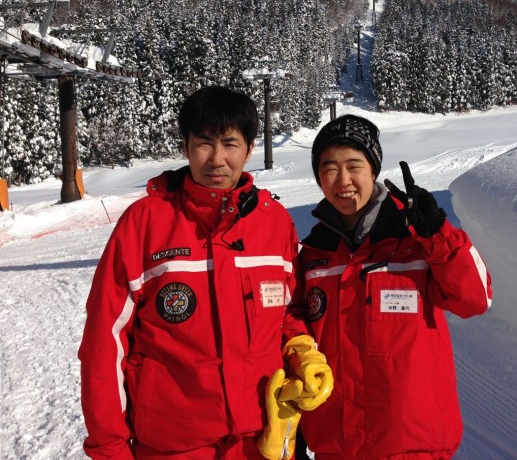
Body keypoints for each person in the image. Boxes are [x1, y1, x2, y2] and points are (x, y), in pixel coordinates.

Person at [78, 86, 331, 460]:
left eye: (230, 143)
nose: (217, 159)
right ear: (185, 146)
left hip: (263, 442)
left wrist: (302, 354)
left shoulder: (274, 223)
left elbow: (288, 313)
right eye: (203, 143)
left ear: (248, 148)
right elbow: (105, 341)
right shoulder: (145, 223)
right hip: (172, 446)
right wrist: (110, 449)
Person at [296, 114, 493, 459]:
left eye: (354, 165)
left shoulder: (414, 238)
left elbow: (475, 299)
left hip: (411, 445)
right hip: (336, 447)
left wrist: (437, 233)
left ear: (373, 170)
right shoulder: (314, 254)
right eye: (329, 168)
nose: (343, 180)